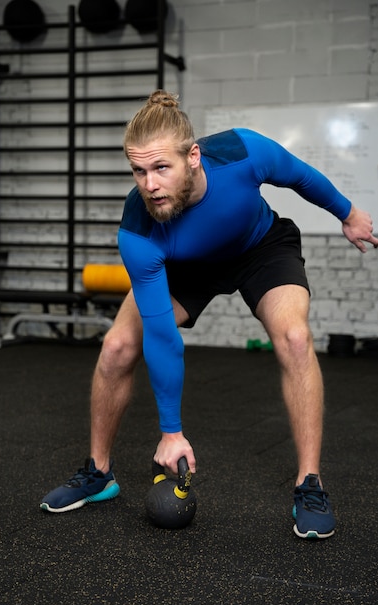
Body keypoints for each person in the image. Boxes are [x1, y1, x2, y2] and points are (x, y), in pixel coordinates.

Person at [40, 90, 378, 539]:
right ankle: (99, 472)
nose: (150, 184)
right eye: (138, 171)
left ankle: (309, 484)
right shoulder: (139, 229)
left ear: (194, 156)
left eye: (161, 168)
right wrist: (171, 432)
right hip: (187, 267)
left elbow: (301, 176)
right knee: (118, 346)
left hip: (258, 248)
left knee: (295, 338)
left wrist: (349, 212)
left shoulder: (243, 151)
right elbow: (162, 337)